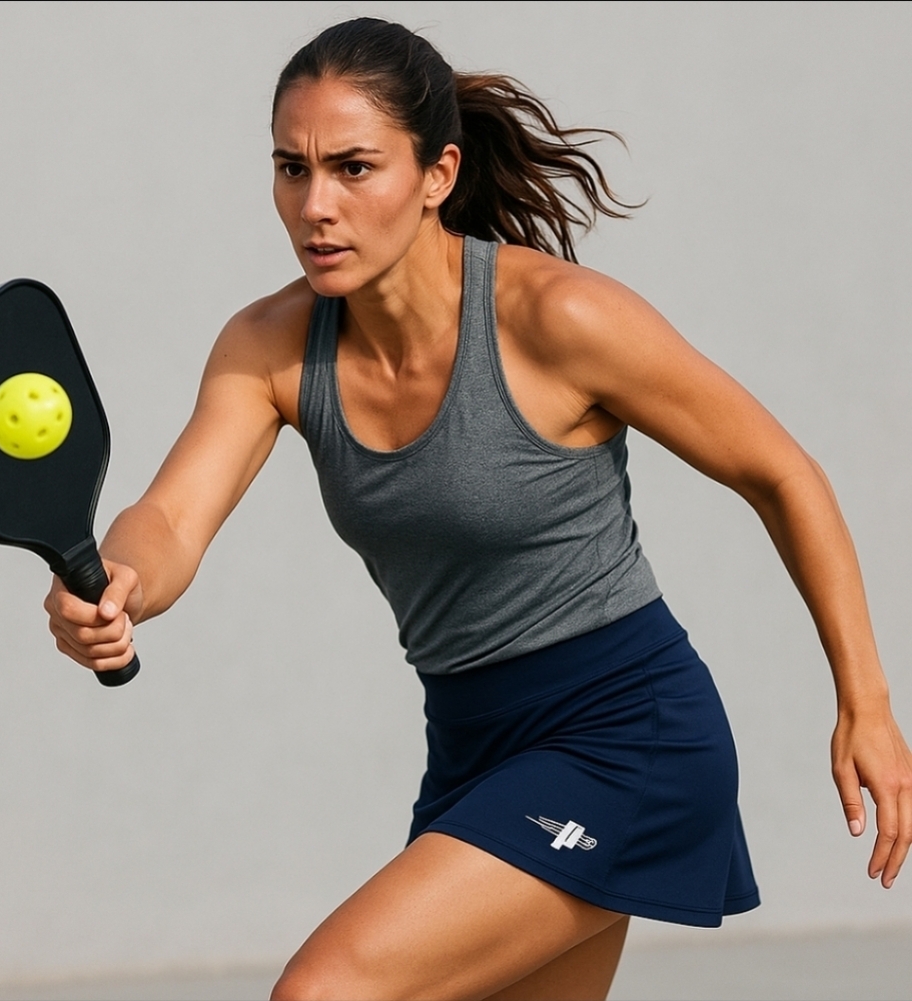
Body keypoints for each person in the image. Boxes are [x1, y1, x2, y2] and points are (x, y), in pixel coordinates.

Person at [44, 17, 912, 1001]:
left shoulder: (555, 318)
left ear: (437, 174)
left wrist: (867, 703)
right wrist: (121, 581)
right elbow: (169, 518)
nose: (315, 205)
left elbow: (782, 472)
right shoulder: (271, 345)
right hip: (471, 745)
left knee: (321, 992)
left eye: (353, 168)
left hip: (625, 737)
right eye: (292, 168)